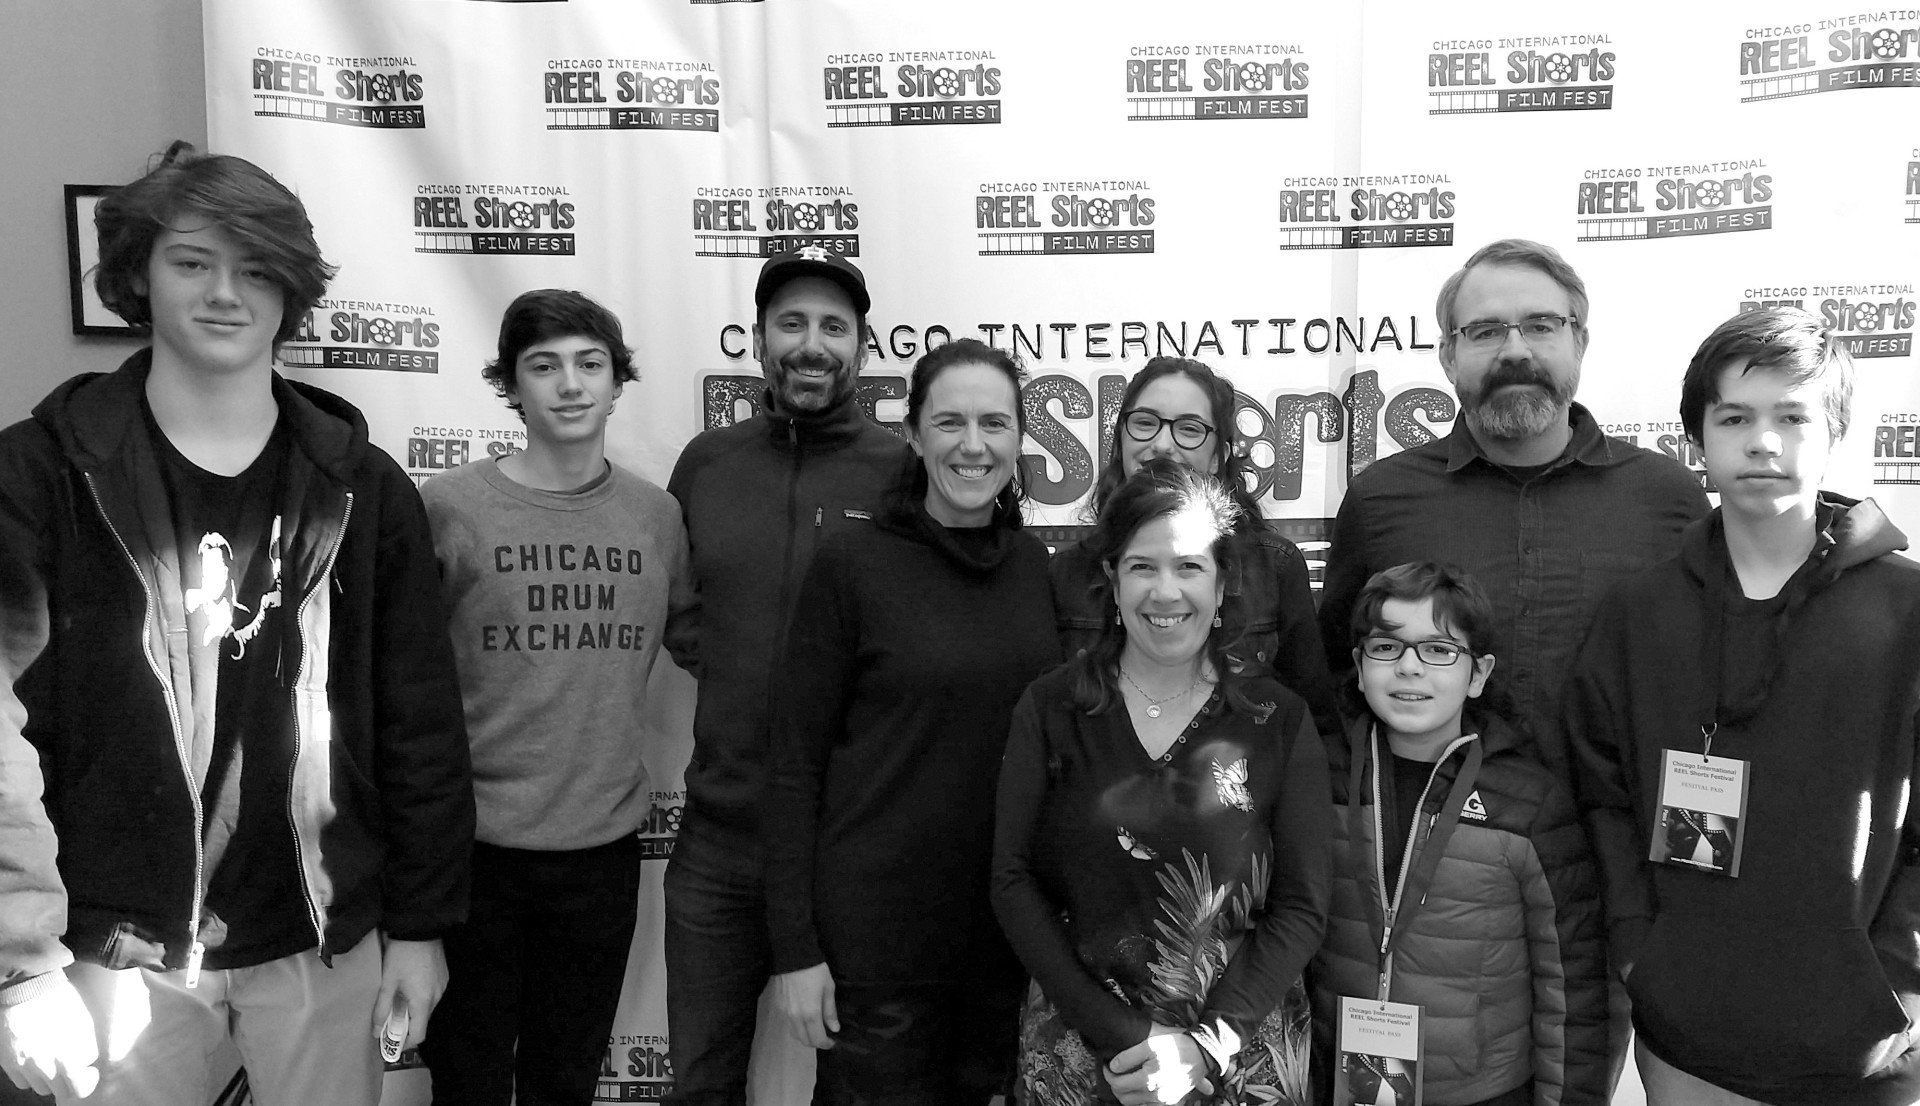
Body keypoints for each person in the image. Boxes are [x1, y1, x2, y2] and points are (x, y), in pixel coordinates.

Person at [0, 142, 472, 1105]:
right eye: (193, 262)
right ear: (138, 273)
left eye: (257, 270)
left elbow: (419, 721)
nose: (225, 293)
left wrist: (421, 926)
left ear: (291, 293)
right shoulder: (38, 475)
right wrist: (20, 960)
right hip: (112, 942)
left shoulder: (362, 486)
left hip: (320, 933)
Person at [1566, 307, 1920, 1105]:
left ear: (1834, 434)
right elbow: (1602, 796)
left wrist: (1902, 980)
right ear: (1696, 439)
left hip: (1867, 1051)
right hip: (1685, 1045)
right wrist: (1638, 951)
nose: (1764, 442)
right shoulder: (1637, 615)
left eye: (1793, 417)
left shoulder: (1907, 610)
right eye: (1735, 418)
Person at [762, 338, 1059, 1102]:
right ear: (914, 434)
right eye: (950, 421)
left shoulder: (1036, 570)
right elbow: (793, 765)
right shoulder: (852, 564)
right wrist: (795, 949)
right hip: (874, 953)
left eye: (994, 423)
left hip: (1000, 949)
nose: (973, 444)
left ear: (1020, 438)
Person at [418, 290, 694, 1104]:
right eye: (544, 366)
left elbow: (708, 644)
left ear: (617, 382)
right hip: (473, 853)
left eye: (589, 364)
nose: (570, 385)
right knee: (465, 1083)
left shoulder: (657, 516)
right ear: (511, 385)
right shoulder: (447, 508)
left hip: (601, 853)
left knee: (565, 1082)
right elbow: (403, 681)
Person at [994, 459, 1331, 1106]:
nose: (1165, 591)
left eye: (1190, 567)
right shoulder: (1051, 709)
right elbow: (1012, 882)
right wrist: (1126, 1037)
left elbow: (1302, 907)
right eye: (1143, 566)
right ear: (1111, 577)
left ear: (1223, 582)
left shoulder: (1277, 720)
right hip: (1083, 1060)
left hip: (1238, 1062)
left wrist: (1204, 1048)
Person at [1317, 239, 1708, 780]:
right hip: (1433, 823)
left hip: (1616, 822)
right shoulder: (1380, 499)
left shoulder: (1668, 499)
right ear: (1448, 355)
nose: (1515, 351)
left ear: (1580, 342)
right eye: (1485, 331)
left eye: (1541, 325)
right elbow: (1337, 675)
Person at [663, 246, 909, 1103]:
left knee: (861, 1086)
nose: (812, 344)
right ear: (759, 338)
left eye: (834, 327)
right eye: (792, 323)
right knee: (700, 1083)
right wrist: (744, 665)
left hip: (851, 839)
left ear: (862, 347)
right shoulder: (706, 463)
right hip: (720, 837)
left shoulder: (901, 473)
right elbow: (680, 607)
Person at [1311, 562, 1607, 1106]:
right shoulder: (1316, 779)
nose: (1409, 668)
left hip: (1483, 1091)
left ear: (1478, 674)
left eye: (1438, 650)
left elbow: (1572, 987)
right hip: (1339, 1080)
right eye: (1386, 647)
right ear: (1358, 665)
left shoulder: (1529, 804)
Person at [1051, 356, 1339, 739]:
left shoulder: (1274, 567)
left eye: (1189, 429)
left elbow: (1317, 726)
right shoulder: (1067, 571)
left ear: (1219, 456)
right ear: (1120, 441)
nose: (1161, 444)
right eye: (1145, 423)